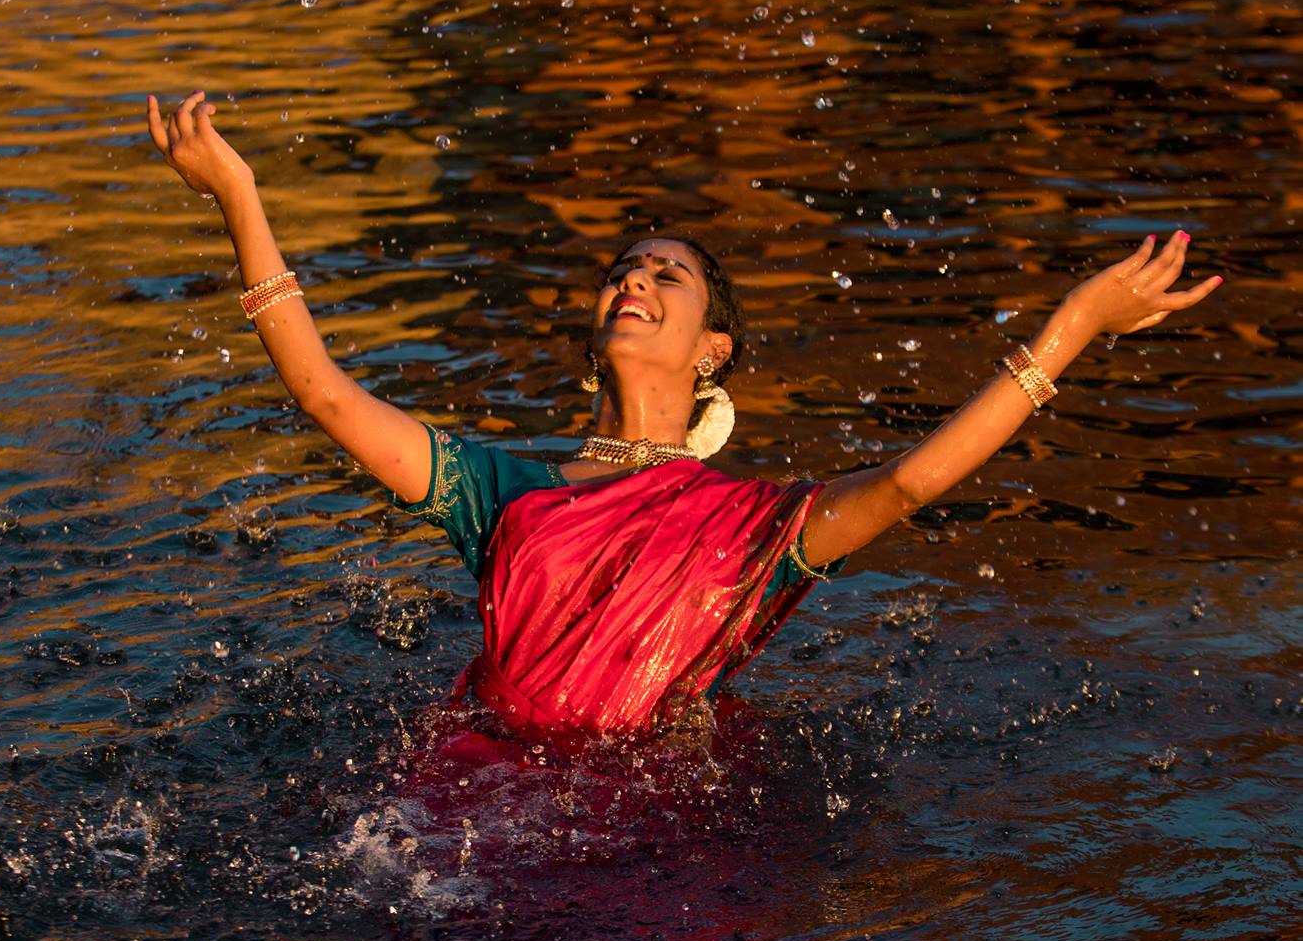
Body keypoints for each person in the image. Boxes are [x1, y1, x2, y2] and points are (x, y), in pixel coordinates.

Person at [146, 90, 1221, 740]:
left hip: (649, 832)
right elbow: (325, 392)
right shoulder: (504, 491)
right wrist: (241, 197)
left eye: (669, 275)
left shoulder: (755, 528)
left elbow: (910, 481)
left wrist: (1075, 324)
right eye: (624, 268)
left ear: (715, 349)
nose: (635, 279)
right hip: (479, 798)